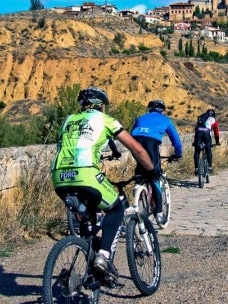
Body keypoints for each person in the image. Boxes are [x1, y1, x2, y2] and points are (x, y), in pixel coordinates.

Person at [51, 86, 154, 279]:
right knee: (116, 209)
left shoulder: (67, 121)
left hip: (59, 177)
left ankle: (90, 262)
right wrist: (152, 170)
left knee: (90, 221)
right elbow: (137, 149)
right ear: (101, 106)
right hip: (86, 174)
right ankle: (104, 257)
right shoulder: (106, 120)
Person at [130, 99, 183, 225]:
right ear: (162, 111)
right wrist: (178, 154)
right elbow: (176, 140)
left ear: (149, 109)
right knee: (154, 176)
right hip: (151, 143)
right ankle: (159, 214)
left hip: (134, 141)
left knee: (140, 169)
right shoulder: (166, 120)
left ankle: (138, 187)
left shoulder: (141, 117)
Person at [193, 108, 220, 173]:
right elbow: (216, 133)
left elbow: (197, 129)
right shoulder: (214, 120)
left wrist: (195, 142)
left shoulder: (201, 117)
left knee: (197, 151)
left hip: (198, 133)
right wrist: (217, 142)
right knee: (208, 150)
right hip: (206, 134)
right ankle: (210, 167)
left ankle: (196, 168)